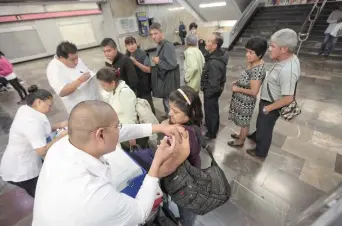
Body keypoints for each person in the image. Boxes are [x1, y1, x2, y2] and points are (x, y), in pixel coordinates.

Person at [32, 100, 186, 226]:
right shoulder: (95, 198)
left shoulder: (63, 144)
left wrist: (160, 127)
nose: (120, 130)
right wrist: (156, 163)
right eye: (117, 126)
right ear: (100, 135)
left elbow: (119, 133)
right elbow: (140, 213)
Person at [0, 85, 67, 197]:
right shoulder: (31, 121)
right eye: (49, 105)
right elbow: (42, 151)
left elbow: (42, 129)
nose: (51, 109)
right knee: (42, 196)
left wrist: (61, 125)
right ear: (39, 101)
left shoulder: (28, 109)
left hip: (25, 160)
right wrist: (60, 136)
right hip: (22, 169)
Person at [247, 29, 300, 159]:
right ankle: (256, 135)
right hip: (269, 99)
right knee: (261, 124)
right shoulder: (287, 58)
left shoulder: (288, 70)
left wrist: (268, 108)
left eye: (272, 46)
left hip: (272, 104)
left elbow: (288, 98)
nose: (269, 49)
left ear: (284, 49)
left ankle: (260, 151)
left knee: (265, 129)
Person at [161, 86, 203, 226]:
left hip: (184, 183)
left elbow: (170, 164)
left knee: (186, 209)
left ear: (190, 113)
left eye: (175, 111)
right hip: (188, 177)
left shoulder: (184, 134)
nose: (169, 113)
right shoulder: (193, 127)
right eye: (170, 108)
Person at [228, 37, 268, 147]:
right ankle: (241, 135)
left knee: (244, 122)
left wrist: (238, 89)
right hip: (242, 100)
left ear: (259, 55)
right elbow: (250, 80)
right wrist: (240, 81)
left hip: (246, 102)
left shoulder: (257, 70)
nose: (247, 54)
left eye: (251, 52)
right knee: (243, 121)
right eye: (247, 51)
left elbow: (254, 91)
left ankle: (241, 141)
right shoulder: (254, 62)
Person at [96, 67, 146, 149]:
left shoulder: (124, 92)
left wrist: (131, 137)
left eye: (103, 85)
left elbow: (130, 116)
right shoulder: (114, 89)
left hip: (128, 132)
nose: (102, 87)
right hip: (121, 129)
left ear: (112, 82)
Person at [46, 41, 99, 113]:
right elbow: (62, 92)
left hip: (92, 99)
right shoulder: (54, 69)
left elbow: (85, 70)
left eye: (77, 58)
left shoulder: (76, 59)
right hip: (79, 106)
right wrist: (79, 81)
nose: (76, 61)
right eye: (72, 60)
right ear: (61, 58)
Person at [201, 32, 229, 140]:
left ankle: (211, 132)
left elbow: (214, 82)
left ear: (214, 45)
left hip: (211, 91)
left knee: (211, 110)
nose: (205, 43)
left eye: (208, 41)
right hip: (214, 90)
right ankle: (210, 125)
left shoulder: (214, 62)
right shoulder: (218, 54)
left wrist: (207, 92)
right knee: (212, 109)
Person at [149, 22, 178, 115]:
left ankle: (172, 124)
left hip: (169, 81)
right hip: (164, 79)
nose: (153, 36)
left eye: (155, 33)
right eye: (151, 34)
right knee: (166, 102)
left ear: (162, 33)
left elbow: (173, 64)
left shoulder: (168, 45)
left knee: (169, 104)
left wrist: (159, 62)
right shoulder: (159, 45)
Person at [125, 36, 155, 114]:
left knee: (148, 104)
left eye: (132, 44)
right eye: (128, 45)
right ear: (126, 46)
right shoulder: (126, 56)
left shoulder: (143, 54)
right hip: (133, 86)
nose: (131, 46)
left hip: (144, 84)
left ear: (136, 44)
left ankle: (154, 122)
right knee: (139, 107)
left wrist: (136, 63)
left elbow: (148, 69)